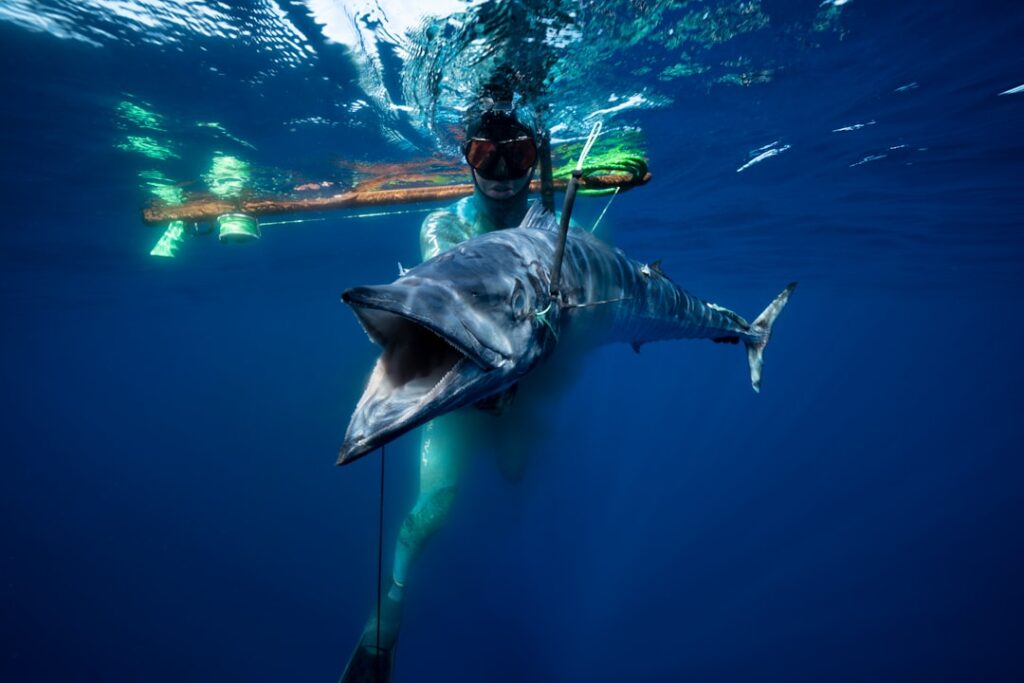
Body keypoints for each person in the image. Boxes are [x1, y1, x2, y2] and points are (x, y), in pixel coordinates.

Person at [340, 90, 543, 683]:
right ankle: (385, 623)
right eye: (485, 156)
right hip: (463, 393)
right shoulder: (444, 223)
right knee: (432, 510)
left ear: (535, 159)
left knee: (515, 471)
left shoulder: (553, 227)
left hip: (519, 388)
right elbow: (446, 276)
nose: (503, 175)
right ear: (467, 161)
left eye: (517, 156)